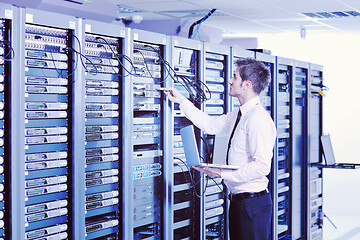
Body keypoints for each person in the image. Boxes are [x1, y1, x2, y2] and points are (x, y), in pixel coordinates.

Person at [161, 58, 276, 240]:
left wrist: (221, 173)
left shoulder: (257, 119)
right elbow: (211, 125)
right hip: (240, 202)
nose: (230, 81)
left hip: (252, 204)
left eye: (234, 76)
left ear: (247, 84)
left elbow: (262, 167)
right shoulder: (240, 115)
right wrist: (182, 101)